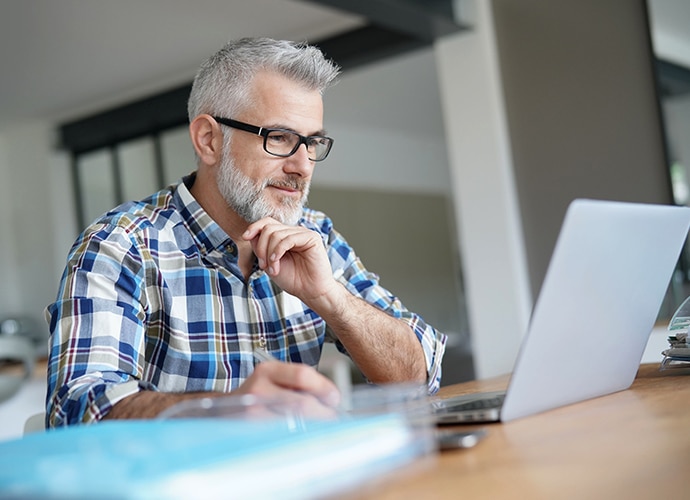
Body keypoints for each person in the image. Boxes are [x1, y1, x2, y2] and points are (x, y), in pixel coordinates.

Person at [45, 37, 447, 427]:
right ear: (208, 140)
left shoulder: (315, 234)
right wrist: (227, 410)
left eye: (313, 143)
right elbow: (77, 411)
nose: (303, 166)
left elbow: (422, 374)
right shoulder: (121, 245)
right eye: (280, 138)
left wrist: (330, 298)